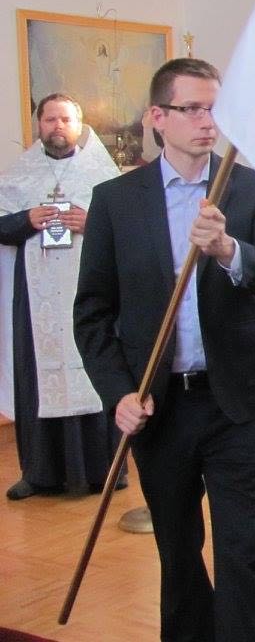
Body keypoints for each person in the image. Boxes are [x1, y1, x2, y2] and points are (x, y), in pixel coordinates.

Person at [74, 58, 255, 642]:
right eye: (192, 108)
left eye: (214, 109)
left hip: (235, 407)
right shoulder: (116, 201)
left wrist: (227, 249)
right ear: (158, 117)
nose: (207, 122)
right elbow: (93, 314)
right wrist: (118, 391)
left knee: (242, 554)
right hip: (159, 408)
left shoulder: (247, 189)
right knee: (178, 554)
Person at [0, 93, 121, 500]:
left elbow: (129, 229)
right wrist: (25, 220)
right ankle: (40, 474)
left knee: (95, 370)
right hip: (36, 302)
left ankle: (103, 472)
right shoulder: (21, 174)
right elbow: (1, 226)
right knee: (38, 379)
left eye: (64, 118)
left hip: (89, 294)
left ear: (78, 123)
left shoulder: (104, 174)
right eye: (49, 119)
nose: (57, 126)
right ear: (39, 125)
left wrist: (93, 223)